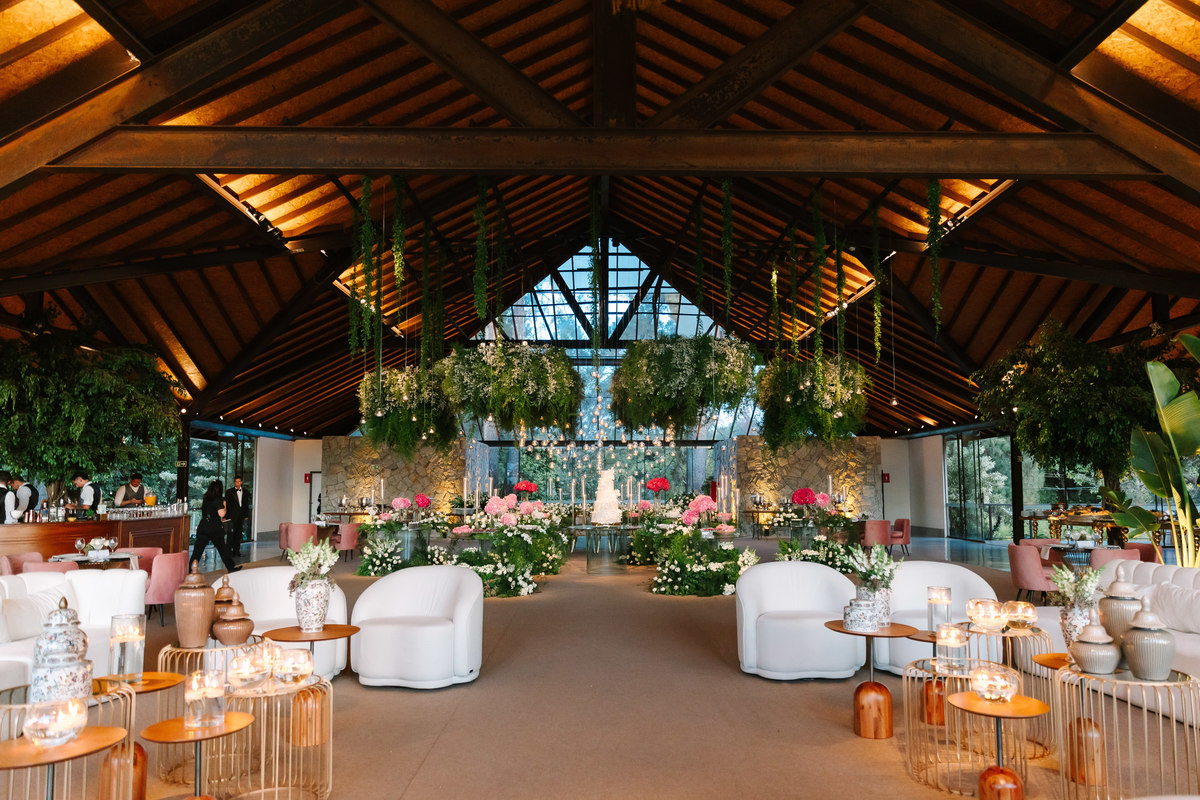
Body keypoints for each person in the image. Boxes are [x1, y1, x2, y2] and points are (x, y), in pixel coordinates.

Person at [191, 479, 239, 573]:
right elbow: (222, 514)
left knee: (197, 552)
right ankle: (231, 567)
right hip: (214, 528)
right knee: (223, 549)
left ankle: (189, 571)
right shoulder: (217, 500)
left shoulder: (206, 498)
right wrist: (224, 505)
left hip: (203, 527)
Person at [224, 476, 251, 551]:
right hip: (231, 516)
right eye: (236, 481)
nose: (238, 483)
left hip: (241, 516)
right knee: (230, 534)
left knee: (238, 533)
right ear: (234, 482)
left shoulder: (245, 492)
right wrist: (226, 516)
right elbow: (226, 504)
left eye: (239, 481)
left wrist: (246, 515)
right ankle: (228, 550)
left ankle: (236, 550)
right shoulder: (229, 492)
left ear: (241, 482)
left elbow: (246, 504)